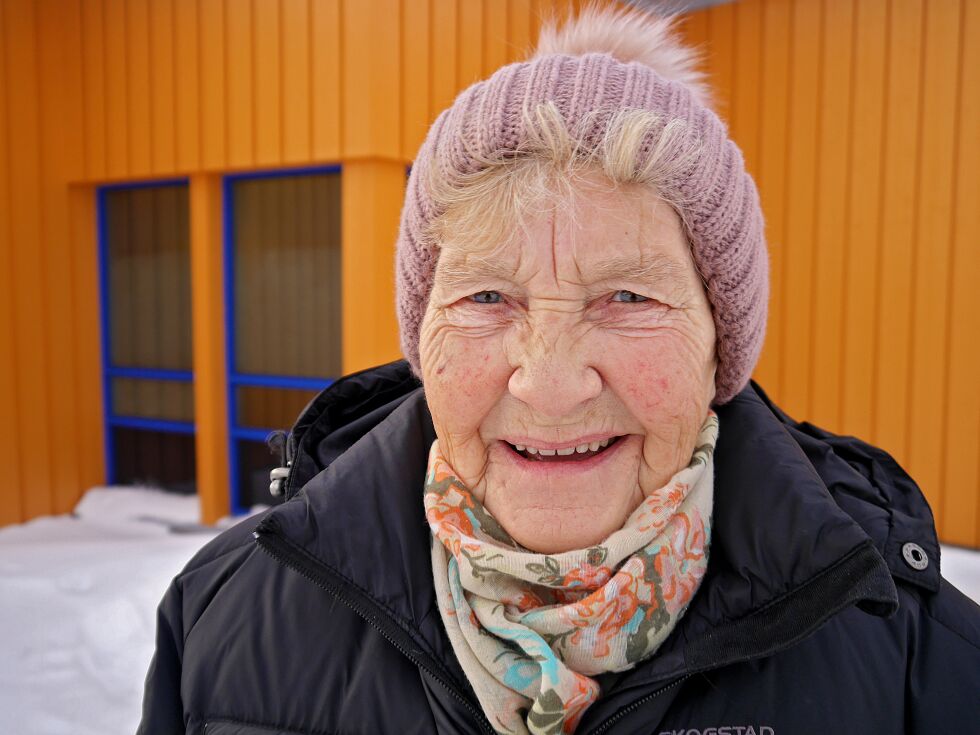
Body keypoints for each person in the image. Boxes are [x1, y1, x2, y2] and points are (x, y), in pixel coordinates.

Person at [138, 6, 979, 734]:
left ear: (719, 345)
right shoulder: (221, 621)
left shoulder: (913, 657)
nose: (548, 382)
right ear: (424, 334)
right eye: (488, 296)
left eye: (626, 295)